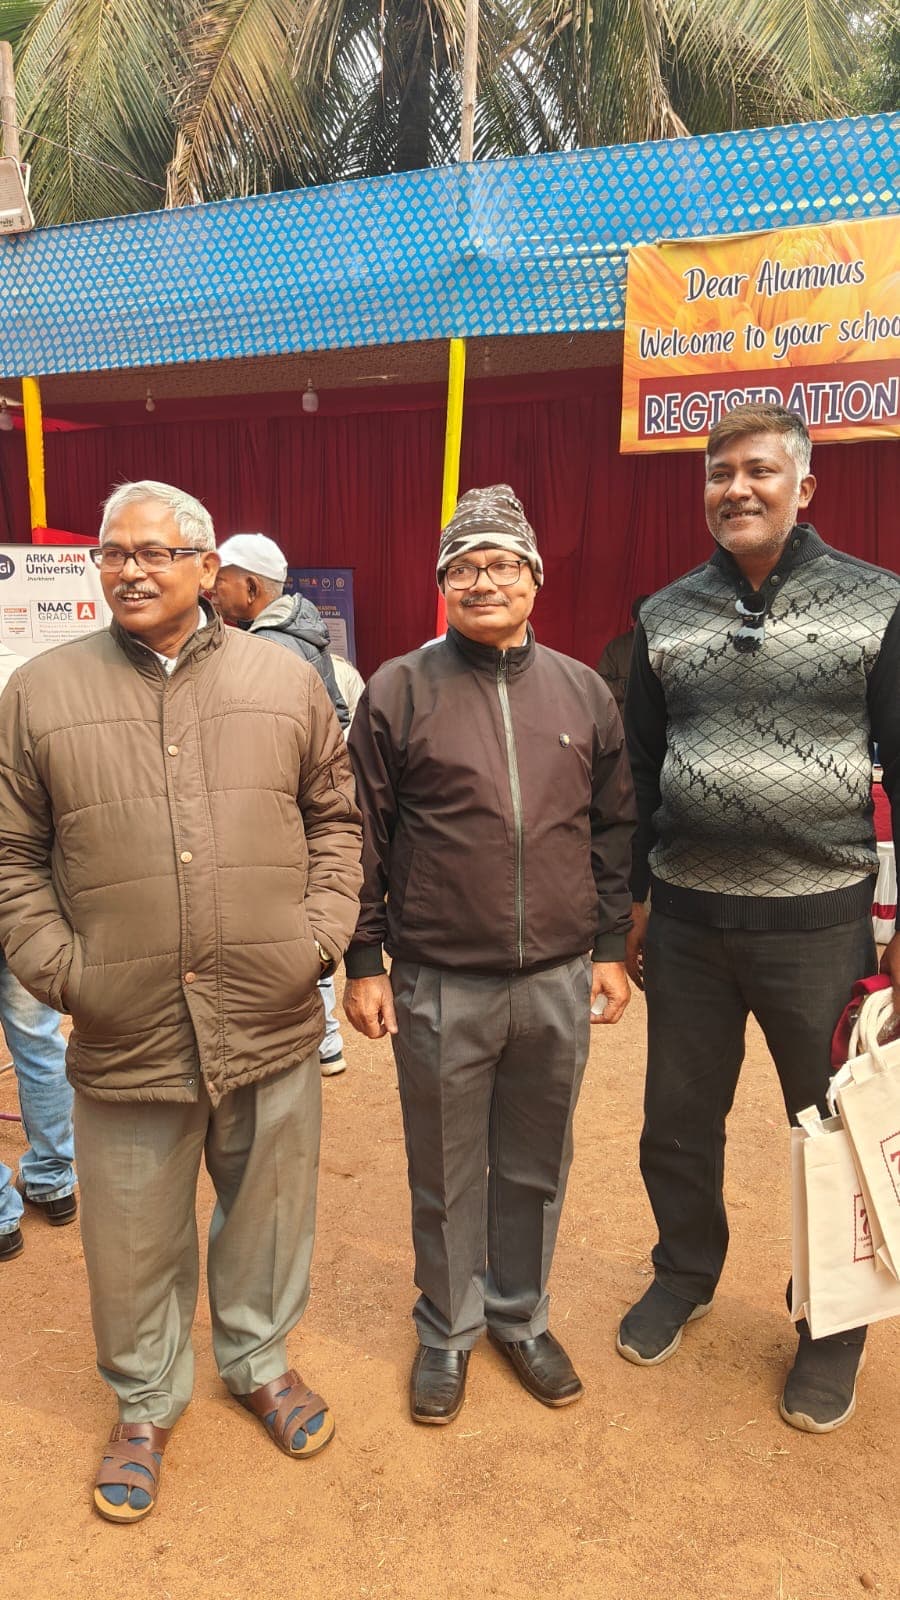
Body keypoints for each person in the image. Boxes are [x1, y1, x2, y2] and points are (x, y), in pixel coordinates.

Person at [0, 481, 362, 1522]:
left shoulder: (283, 682)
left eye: (157, 551)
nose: (130, 568)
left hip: (270, 1006)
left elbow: (337, 821)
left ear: (210, 569)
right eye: (114, 552)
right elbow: (15, 851)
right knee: (130, 1228)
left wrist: (317, 937)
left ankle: (258, 1359)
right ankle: (145, 1403)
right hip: (125, 1021)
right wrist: (62, 967)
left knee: (269, 1206)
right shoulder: (40, 691)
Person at [619, 403, 900, 1434]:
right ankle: (684, 1271)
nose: (736, 488)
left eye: (759, 471)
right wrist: (641, 903)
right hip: (689, 930)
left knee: (829, 1133)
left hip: (818, 929)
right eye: (718, 473)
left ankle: (833, 1327)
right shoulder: (664, 613)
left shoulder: (879, 604)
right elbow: (643, 774)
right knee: (676, 1124)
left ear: (804, 487)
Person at [344, 484, 635, 1425]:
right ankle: (447, 1329)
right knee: (445, 1164)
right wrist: (364, 960)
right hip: (439, 979)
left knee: (536, 1161)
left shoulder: (583, 690)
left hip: (555, 979)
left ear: (535, 580)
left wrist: (607, 948)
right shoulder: (399, 688)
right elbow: (362, 833)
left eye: (502, 564)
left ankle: (520, 1315)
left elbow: (613, 830)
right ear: (442, 585)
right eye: (463, 568)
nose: (483, 581)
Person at [213, 533, 350, 1075]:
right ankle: (326, 1038)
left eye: (221, 581)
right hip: (297, 800)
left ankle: (318, 1039)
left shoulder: (271, 647)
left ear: (250, 585)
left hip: (278, 807)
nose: (213, 591)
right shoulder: (302, 632)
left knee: (285, 918)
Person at [0, 640, 76, 1262]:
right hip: (20, 898)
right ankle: (55, 1181)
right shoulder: (21, 681)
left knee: (41, 1041)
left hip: (16, 893)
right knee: (40, 1042)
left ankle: (3, 1214)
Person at [595, 595, 647, 712]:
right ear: (633, 622)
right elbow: (600, 685)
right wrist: (626, 687)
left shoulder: (667, 646)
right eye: (643, 621)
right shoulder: (616, 647)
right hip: (627, 725)